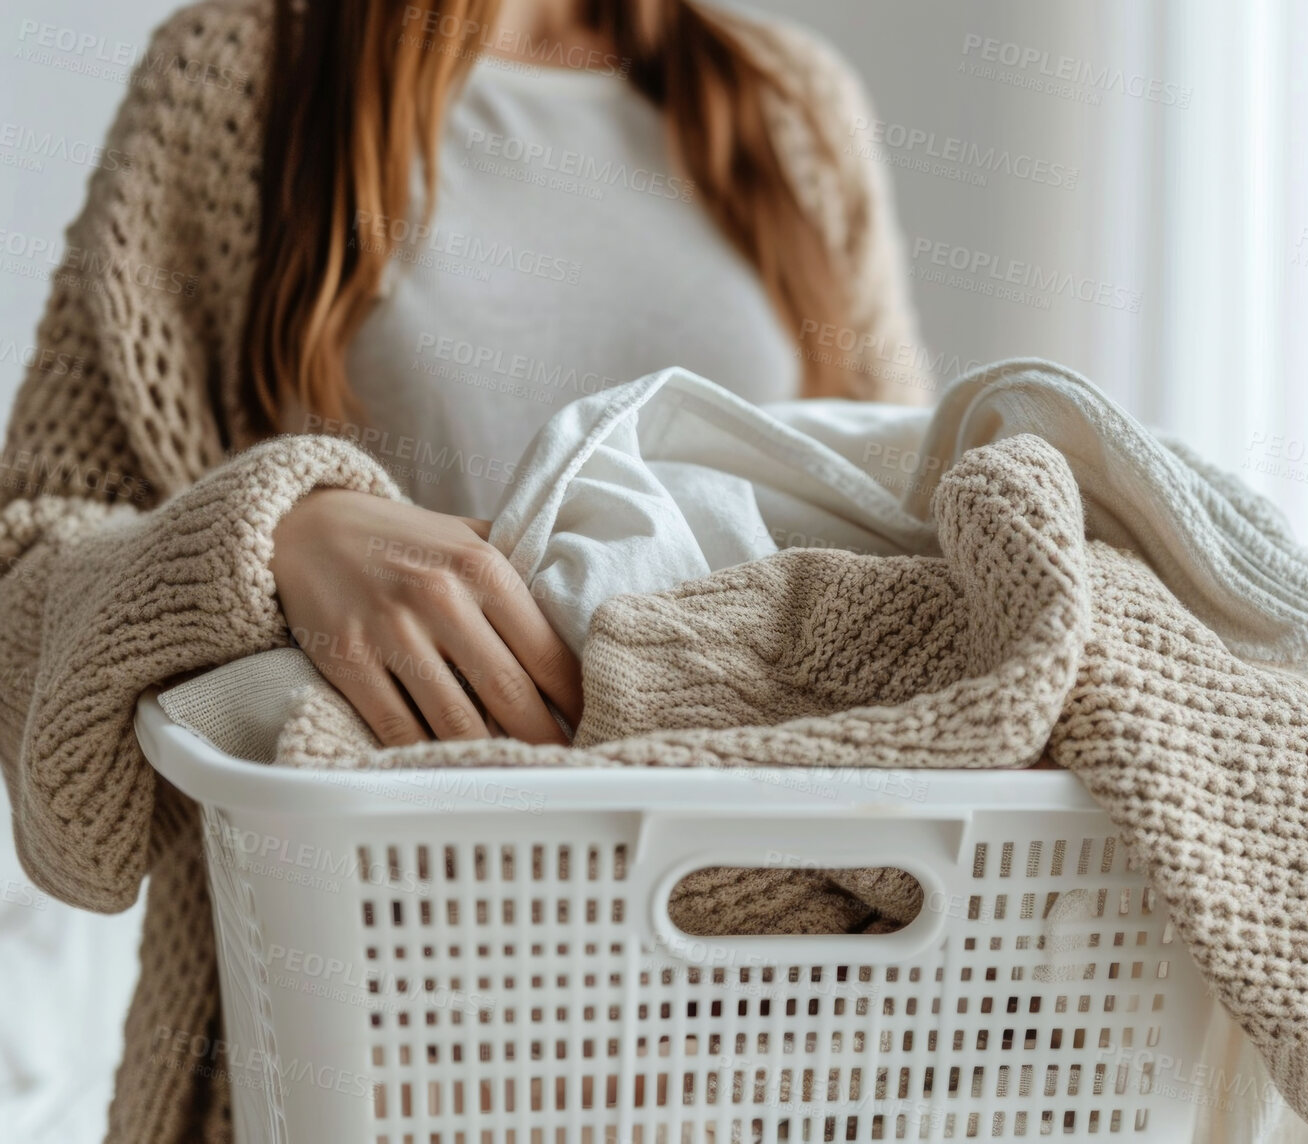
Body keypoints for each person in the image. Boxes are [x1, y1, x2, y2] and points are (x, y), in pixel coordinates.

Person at [0, 0, 924, 1138]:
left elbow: (901, 538)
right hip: (369, 1051)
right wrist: (280, 534)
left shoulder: (791, 105)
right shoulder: (250, 68)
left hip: (764, 1057)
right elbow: (23, 574)